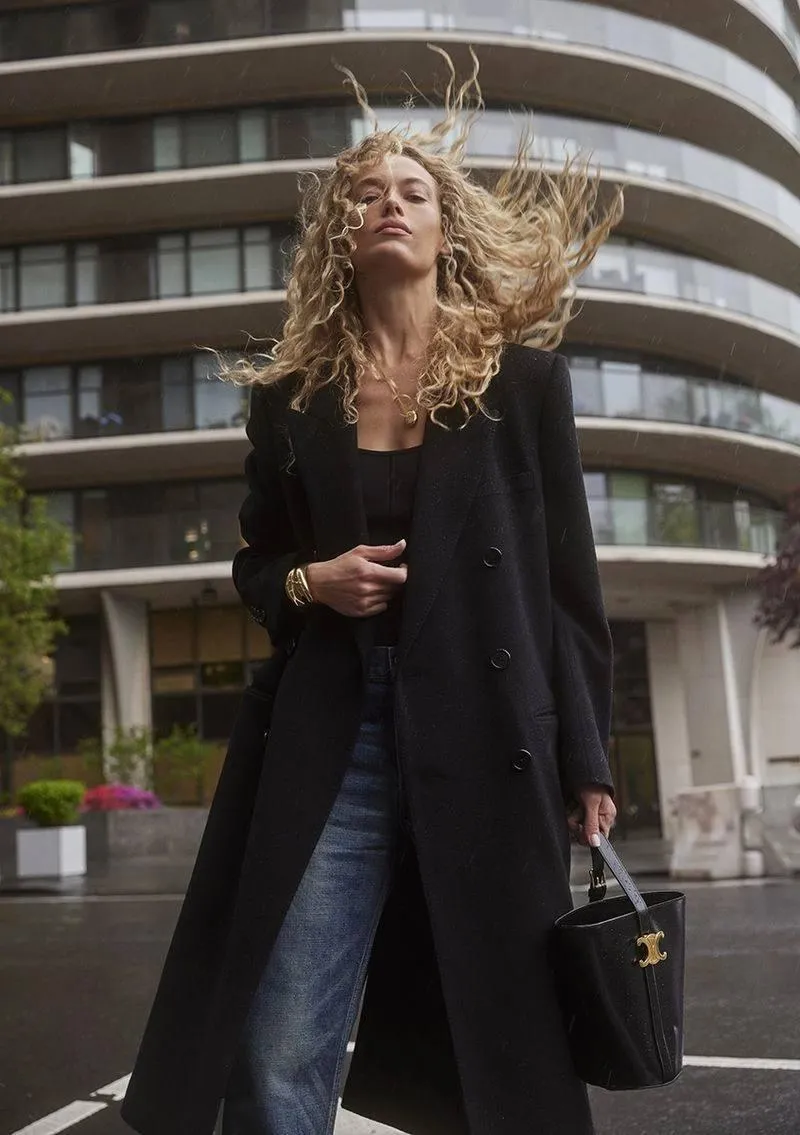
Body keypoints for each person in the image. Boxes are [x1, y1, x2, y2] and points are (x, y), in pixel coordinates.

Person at [121, 50, 621, 1135]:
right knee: (281, 1033)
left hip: (488, 731)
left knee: (502, 1040)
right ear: (339, 235)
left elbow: (565, 589)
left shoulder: (521, 382)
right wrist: (312, 580)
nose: (387, 205)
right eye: (364, 194)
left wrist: (587, 757)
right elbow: (256, 567)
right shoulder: (294, 401)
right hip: (331, 733)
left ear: (444, 229)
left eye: (411, 191)